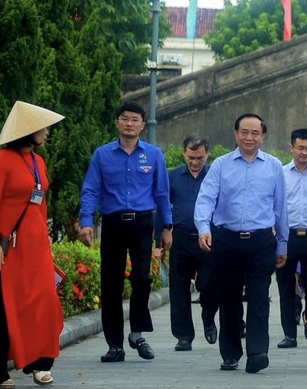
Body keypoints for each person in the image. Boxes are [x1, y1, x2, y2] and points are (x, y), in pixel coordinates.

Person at [194, 113, 288, 374]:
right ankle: (231, 352)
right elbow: (205, 199)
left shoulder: (273, 166)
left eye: (255, 133)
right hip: (227, 240)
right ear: (235, 134)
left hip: (260, 241)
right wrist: (204, 228)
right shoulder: (221, 166)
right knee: (230, 299)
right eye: (244, 132)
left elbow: (281, 209)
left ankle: (257, 352)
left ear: (263, 136)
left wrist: (282, 244)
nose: (249, 137)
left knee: (259, 298)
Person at [79, 102, 173, 363]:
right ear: (117, 123)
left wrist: (167, 227)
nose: (130, 123)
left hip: (143, 223)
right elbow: (90, 190)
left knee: (142, 278)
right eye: (125, 118)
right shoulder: (102, 154)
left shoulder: (153, 155)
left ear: (143, 124)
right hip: (113, 223)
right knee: (111, 284)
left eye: (135, 119)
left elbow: (162, 193)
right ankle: (114, 345)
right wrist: (86, 221)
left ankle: (137, 333)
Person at [0, 101, 66, 388]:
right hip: (6, 248)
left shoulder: (37, 162)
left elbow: (40, 206)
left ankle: (40, 362)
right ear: (28, 131)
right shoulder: (0, 161)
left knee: (44, 301)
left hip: (36, 246)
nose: (46, 132)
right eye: (42, 127)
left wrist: (46, 244)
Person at [167, 136, 220, 351]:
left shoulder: (215, 176)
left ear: (207, 155)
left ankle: (209, 319)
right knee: (178, 290)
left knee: (208, 285)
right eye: (191, 157)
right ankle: (183, 336)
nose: (195, 161)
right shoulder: (173, 177)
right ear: (184, 153)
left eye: (199, 157)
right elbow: (163, 204)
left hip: (208, 240)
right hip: (180, 237)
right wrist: (161, 236)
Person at [276, 128, 307, 348]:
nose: (304, 152)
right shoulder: (280, 173)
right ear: (292, 147)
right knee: (285, 286)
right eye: (300, 148)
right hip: (287, 236)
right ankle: (289, 334)